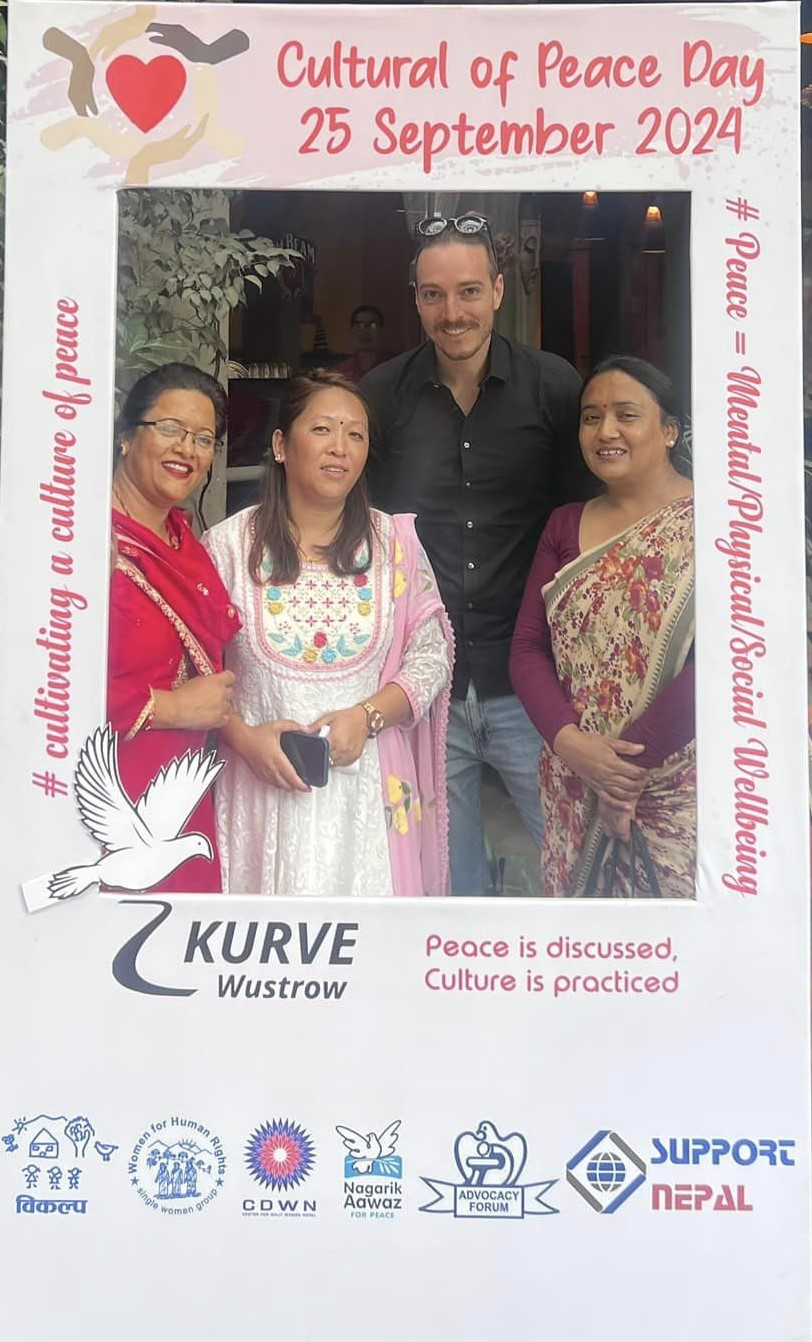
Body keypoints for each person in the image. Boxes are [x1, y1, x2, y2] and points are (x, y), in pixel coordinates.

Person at [362, 212, 586, 895]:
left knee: (576, 864)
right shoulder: (381, 397)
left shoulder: (554, 387)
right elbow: (364, 529)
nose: (452, 312)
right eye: (434, 294)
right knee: (445, 882)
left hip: (530, 680)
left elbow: (582, 528)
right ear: (416, 298)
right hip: (425, 683)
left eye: (467, 291)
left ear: (497, 290)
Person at [202, 370, 453, 897]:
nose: (340, 447)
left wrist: (367, 717)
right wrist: (244, 739)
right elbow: (195, 672)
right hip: (257, 798)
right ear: (280, 445)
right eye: (322, 429)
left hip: (365, 808)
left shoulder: (394, 545)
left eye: (355, 434)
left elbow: (431, 658)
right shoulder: (225, 547)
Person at [510, 356, 695, 898]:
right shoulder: (565, 523)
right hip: (574, 778)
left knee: (679, 940)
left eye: (626, 415)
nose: (605, 431)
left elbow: (729, 661)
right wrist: (570, 744)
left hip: (681, 783)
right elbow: (528, 648)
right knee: (584, 942)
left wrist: (624, 774)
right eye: (591, 417)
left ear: (669, 430)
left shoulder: (719, 524)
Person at [109, 363, 240, 893]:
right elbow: (38, 682)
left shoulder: (187, 545)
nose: (187, 448)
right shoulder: (80, 543)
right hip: (105, 794)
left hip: (180, 792)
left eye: (203, 439)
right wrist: (169, 708)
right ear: (126, 435)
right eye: (170, 429)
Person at [335, 304, 390, 383]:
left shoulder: (391, 369)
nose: (365, 332)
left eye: (372, 326)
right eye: (359, 326)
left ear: (381, 330)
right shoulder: (341, 372)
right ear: (351, 330)